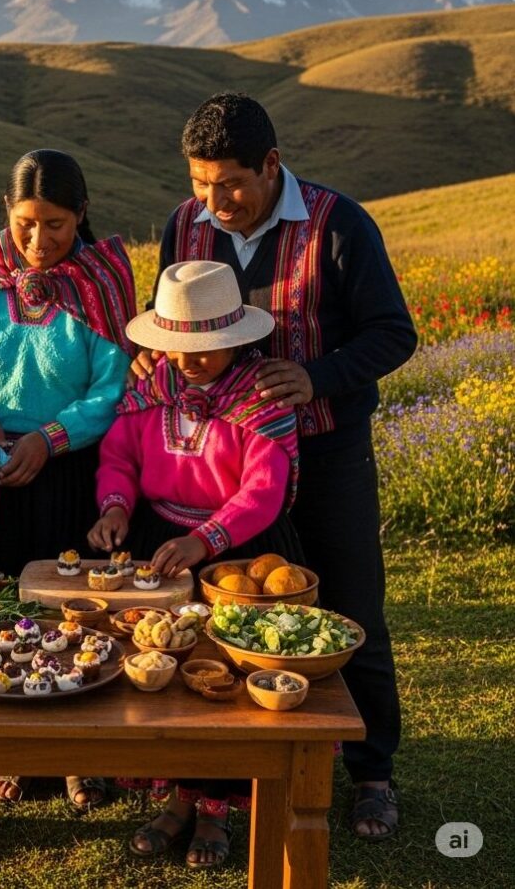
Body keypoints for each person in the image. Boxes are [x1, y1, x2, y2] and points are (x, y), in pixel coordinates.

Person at [133, 93, 417, 840]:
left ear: (271, 164)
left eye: (229, 182)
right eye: (199, 182)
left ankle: (373, 773)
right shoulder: (185, 225)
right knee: (231, 617)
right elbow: (175, 321)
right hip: (225, 464)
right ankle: (231, 775)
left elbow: (394, 333)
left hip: (325, 451)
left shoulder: (339, 225)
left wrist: (316, 377)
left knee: (351, 607)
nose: (213, 201)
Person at [0, 148, 135, 811]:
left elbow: (113, 389)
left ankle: (81, 759)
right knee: (2, 614)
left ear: (81, 215)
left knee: (72, 614)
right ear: (6, 212)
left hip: (69, 471)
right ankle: (14, 751)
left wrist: (48, 441)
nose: (39, 240)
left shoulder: (104, 282)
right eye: (26, 221)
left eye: (56, 224)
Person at [91, 260, 299, 869]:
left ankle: (216, 808)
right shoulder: (149, 389)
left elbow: (264, 489)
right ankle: (175, 796)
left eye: (205, 348)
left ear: (237, 338)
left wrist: (206, 540)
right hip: (160, 535)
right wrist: (116, 508)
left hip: (236, 546)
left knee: (224, 674)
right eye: (179, 347)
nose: (189, 360)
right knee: (161, 664)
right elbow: (119, 457)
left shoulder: (262, 397)